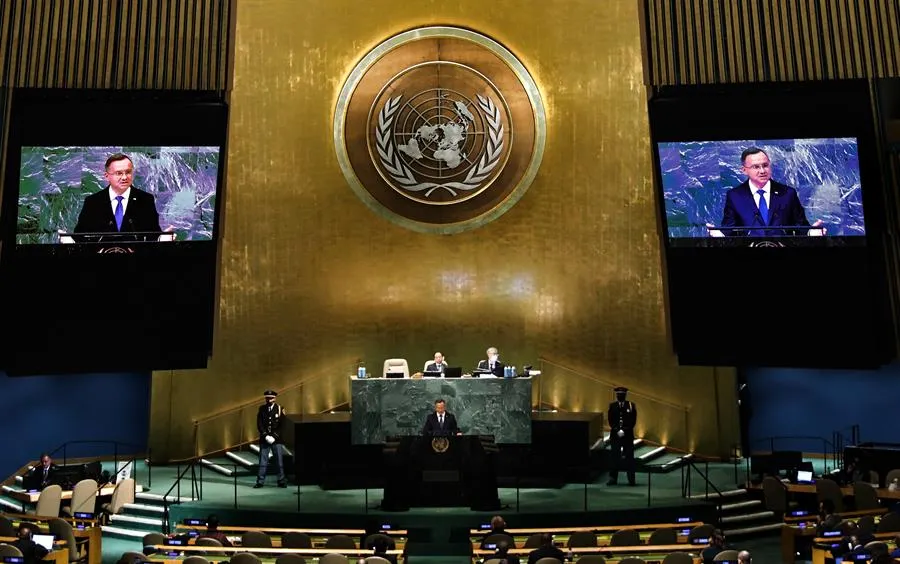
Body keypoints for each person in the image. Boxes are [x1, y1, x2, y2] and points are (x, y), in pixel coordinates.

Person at [706, 147, 824, 238]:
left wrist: (811, 233)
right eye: (756, 167)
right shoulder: (735, 195)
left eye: (765, 165)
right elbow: (730, 229)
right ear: (744, 170)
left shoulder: (787, 193)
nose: (762, 171)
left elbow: (800, 225)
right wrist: (719, 235)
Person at [73, 153, 165, 239]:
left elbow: (154, 236)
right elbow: (80, 237)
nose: (124, 177)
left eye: (128, 172)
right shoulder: (93, 202)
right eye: (119, 173)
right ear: (107, 176)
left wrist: (163, 239)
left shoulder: (146, 200)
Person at [254, 389, 287, 488]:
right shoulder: (262, 409)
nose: (269, 400)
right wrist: (265, 435)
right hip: (265, 439)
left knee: (279, 461)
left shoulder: (280, 409)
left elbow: (282, 425)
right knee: (262, 461)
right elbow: (259, 424)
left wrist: (274, 436)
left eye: (271, 398)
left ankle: (281, 480)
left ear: (275, 398)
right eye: (267, 398)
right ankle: (260, 481)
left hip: (276, 440)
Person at [607, 386, 637, 486]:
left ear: (625, 395)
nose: (620, 396)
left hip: (627, 436)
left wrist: (624, 430)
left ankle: (631, 479)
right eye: (618, 394)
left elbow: (633, 420)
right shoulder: (612, 406)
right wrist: (617, 430)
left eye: (622, 394)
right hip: (615, 436)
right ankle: (613, 478)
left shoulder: (631, 405)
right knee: (614, 457)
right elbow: (610, 420)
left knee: (629, 458)